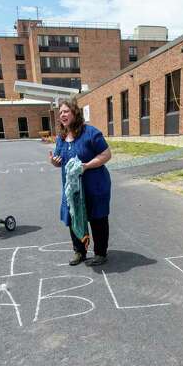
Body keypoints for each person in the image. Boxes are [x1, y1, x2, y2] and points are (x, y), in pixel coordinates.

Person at [48, 98, 112, 266]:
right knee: (74, 216)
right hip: (73, 189)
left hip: (95, 185)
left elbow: (106, 155)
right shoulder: (61, 138)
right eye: (60, 112)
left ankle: (100, 253)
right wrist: (55, 162)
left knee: (97, 218)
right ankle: (79, 251)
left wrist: (87, 166)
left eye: (66, 111)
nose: (62, 114)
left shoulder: (90, 133)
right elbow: (60, 160)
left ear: (75, 113)